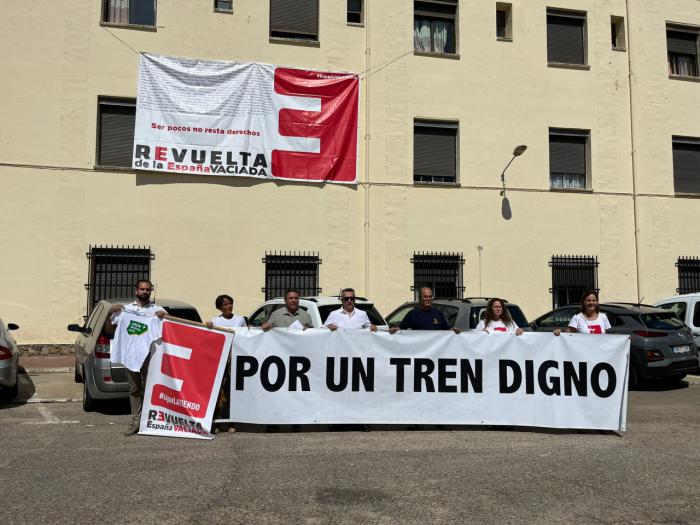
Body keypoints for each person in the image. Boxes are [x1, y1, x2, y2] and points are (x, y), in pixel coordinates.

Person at [104, 279, 166, 436]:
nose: (144, 292)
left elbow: (172, 330)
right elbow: (109, 329)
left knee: (153, 389)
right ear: (136, 291)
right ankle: (136, 421)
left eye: (147, 289)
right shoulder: (126, 310)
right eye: (142, 289)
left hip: (151, 357)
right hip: (131, 357)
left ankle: (153, 421)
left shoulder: (158, 310)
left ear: (150, 291)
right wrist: (111, 312)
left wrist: (164, 317)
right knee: (134, 389)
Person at [206, 294, 245, 434]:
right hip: (219, 359)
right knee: (218, 391)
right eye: (225, 304)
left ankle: (231, 422)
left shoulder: (240, 320)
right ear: (219, 307)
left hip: (235, 359)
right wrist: (208, 327)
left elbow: (246, 337)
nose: (228, 306)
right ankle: (216, 422)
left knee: (231, 390)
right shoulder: (215, 320)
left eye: (230, 303)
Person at [389, 287, 461, 334]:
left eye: (430, 296)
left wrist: (453, 331)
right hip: (419, 352)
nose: (428, 299)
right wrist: (394, 330)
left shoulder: (438, 314)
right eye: (425, 296)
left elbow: (447, 330)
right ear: (420, 298)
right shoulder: (412, 314)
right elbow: (401, 328)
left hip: (435, 352)